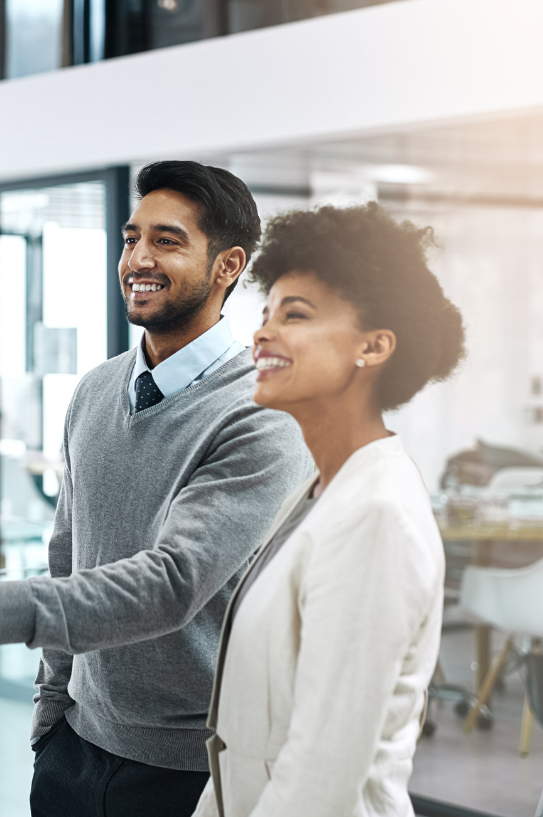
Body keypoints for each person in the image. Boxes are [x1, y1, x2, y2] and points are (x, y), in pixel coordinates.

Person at [0, 161, 313, 817]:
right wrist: (51, 711)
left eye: (167, 241)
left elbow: (171, 581)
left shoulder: (262, 413)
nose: (137, 258)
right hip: (74, 752)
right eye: (129, 237)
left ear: (228, 266)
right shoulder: (93, 390)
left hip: (190, 773)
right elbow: (69, 555)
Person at [191, 203, 464, 817]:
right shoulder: (321, 490)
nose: (263, 332)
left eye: (296, 314)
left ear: (374, 346)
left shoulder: (375, 516)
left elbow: (320, 773)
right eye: (265, 313)